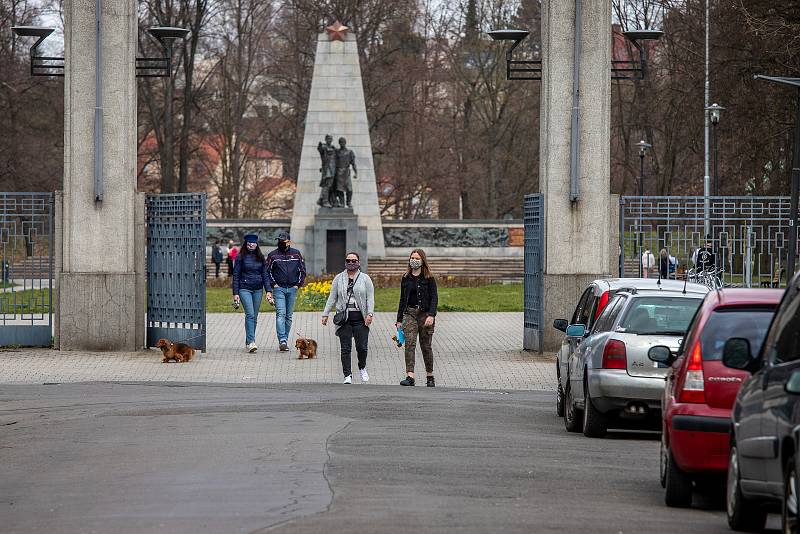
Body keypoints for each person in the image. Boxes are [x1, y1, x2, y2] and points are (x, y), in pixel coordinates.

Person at [322, 252, 375, 384]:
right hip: (344, 319)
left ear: (358, 262)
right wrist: (325, 314)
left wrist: (370, 314)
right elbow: (332, 297)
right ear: (345, 262)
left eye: (354, 260)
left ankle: (362, 367)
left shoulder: (365, 278)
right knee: (345, 348)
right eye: (348, 260)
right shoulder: (339, 278)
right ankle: (347, 375)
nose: (351, 263)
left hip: (360, 318)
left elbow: (371, 298)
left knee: (362, 347)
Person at [396, 249, 438, 387]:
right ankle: (410, 376)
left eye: (417, 258)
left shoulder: (429, 278)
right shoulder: (405, 277)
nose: (414, 260)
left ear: (422, 261)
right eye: (412, 258)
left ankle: (430, 376)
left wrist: (431, 315)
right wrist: (398, 320)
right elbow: (402, 299)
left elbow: (434, 298)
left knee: (426, 346)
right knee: (410, 345)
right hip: (410, 314)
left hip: (425, 315)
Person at [266, 231, 307, 352]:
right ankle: (282, 340)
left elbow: (302, 270)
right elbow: (267, 271)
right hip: (279, 289)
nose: (280, 243)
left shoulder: (296, 254)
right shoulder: (272, 255)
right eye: (279, 241)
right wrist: (274, 285)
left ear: (289, 242)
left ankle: (285, 340)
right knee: (281, 314)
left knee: (288, 316)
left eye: (283, 241)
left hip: (293, 288)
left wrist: (298, 285)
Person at [232, 234, 270, 353]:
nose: (251, 245)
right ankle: (251, 341)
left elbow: (265, 275)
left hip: (258, 289)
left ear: (256, 244)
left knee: (255, 316)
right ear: (246, 244)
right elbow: (236, 275)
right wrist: (235, 293)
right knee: (250, 314)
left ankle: (249, 341)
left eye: (253, 243)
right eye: (249, 243)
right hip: (244, 289)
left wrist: (268, 290)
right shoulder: (240, 257)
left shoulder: (260, 257)